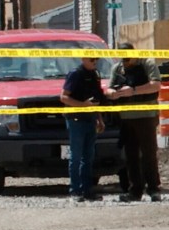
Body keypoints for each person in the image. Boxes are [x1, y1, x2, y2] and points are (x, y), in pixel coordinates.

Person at [107, 55, 163, 202]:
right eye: (122, 59)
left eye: (127, 59)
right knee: (130, 156)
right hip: (125, 118)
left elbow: (156, 85)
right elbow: (109, 88)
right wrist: (112, 93)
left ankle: (153, 189)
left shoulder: (147, 64)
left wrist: (133, 90)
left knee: (148, 154)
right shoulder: (117, 68)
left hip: (146, 116)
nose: (124, 62)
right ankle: (135, 191)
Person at [61, 54, 107, 202]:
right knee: (75, 157)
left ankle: (88, 190)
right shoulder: (75, 74)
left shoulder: (94, 75)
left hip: (90, 119)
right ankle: (75, 191)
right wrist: (82, 105)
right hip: (76, 120)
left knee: (88, 157)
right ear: (83, 59)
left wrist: (99, 119)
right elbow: (63, 97)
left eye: (96, 60)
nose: (95, 62)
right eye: (92, 59)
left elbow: (96, 100)